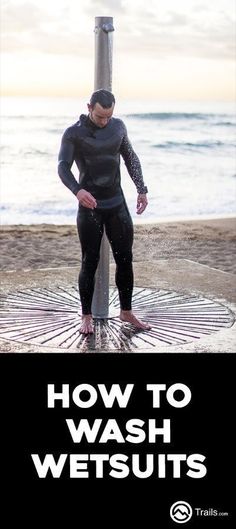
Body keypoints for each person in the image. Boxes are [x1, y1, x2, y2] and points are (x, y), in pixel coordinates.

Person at [58, 89, 151, 334]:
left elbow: (131, 158)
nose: (104, 121)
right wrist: (77, 191)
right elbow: (62, 167)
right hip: (90, 205)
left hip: (116, 203)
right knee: (90, 260)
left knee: (125, 259)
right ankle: (86, 315)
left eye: (108, 116)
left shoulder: (118, 127)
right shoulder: (74, 133)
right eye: (100, 116)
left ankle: (126, 311)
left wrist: (142, 189)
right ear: (89, 107)